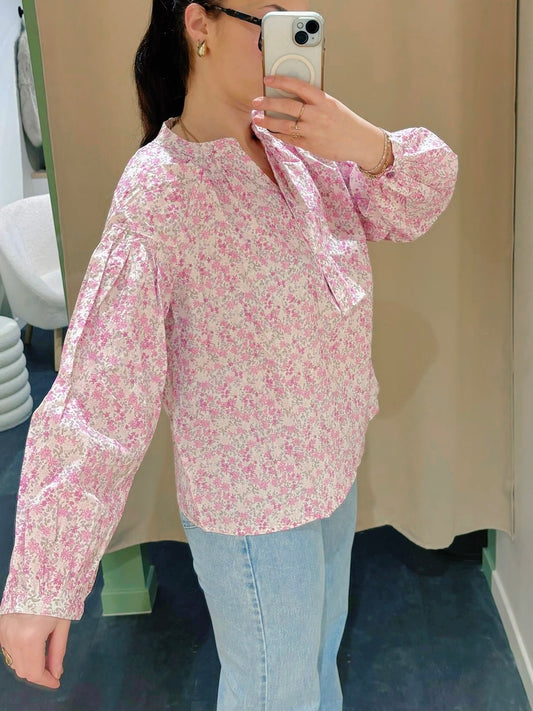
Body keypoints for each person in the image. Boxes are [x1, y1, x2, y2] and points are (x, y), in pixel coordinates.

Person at [0, 1, 458, 708]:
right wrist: (43, 580)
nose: (289, 41)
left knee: (318, 663)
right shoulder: (161, 192)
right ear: (199, 25)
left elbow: (418, 199)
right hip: (254, 509)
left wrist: (366, 143)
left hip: (329, 468)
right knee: (275, 693)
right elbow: (99, 397)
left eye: (298, 23)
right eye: (268, 21)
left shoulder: (297, 151)